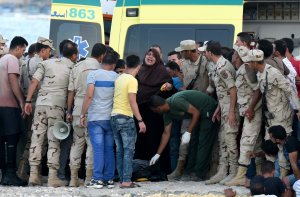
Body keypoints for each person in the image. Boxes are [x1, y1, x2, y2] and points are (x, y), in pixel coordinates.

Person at [25, 41, 78, 187]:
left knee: (36, 138)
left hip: (41, 104)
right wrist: (68, 110)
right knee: (54, 140)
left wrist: (28, 101)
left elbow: (34, 82)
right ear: (74, 55)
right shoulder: (73, 67)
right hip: (57, 106)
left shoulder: (48, 63)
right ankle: (52, 177)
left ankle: (34, 175)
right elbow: (70, 92)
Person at [249, 49, 300, 178]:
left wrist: (299, 109)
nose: (248, 64)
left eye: (250, 62)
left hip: (282, 116)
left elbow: (290, 91)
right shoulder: (260, 73)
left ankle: (282, 180)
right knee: (269, 147)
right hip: (270, 116)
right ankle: (269, 177)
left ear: (255, 63)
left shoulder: (273, 73)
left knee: (282, 149)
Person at [149, 90, 218, 181]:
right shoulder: (167, 114)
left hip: (207, 108)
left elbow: (196, 113)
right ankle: (189, 171)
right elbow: (166, 133)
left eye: (154, 111)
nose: (155, 113)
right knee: (193, 142)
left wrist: (188, 132)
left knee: (203, 142)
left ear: (158, 108)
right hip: (197, 114)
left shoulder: (176, 101)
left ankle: (198, 173)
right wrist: (158, 154)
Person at [66, 43, 107, 187]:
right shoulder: (100, 69)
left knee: (77, 144)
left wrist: (69, 111)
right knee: (92, 144)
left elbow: (71, 91)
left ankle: (73, 178)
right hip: (92, 110)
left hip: (77, 109)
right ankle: (89, 178)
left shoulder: (77, 66)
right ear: (102, 56)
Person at [17, 37, 55, 181]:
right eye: (49, 51)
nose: (50, 54)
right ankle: (29, 172)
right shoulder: (41, 63)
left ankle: (25, 171)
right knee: (38, 139)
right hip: (38, 103)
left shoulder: (26, 61)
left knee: (29, 138)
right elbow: (38, 84)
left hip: (27, 103)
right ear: (44, 50)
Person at [79, 52, 119, 189]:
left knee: (98, 149)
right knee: (109, 149)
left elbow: (89, 96)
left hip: (96, 118)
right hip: (110, 118)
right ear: (114, 64)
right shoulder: (117, 77)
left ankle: (97, 179)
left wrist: (82, 114)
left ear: (102, 61)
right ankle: (109, 179)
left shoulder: (94, 75)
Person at [225, 46, 262, 186]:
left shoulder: (247, 69)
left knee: (246, 141)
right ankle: (259, 173)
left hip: (252, 112)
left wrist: (251, 109)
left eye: (235, 52)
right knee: (255, 142)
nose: (233, 55)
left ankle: (241, 175)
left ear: (239, 56)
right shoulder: (241, 69)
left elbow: (257, 90)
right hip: (247, 111)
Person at [134, 48, 174, 174]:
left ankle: (155, 168)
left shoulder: (161, 71)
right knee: (139, 140)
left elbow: (170, 88)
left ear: (157, 58)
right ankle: (139, 167)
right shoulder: (140, 69)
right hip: (139, 111)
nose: (150, 57)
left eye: (153, 56)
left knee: (153, 138)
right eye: (148, 54)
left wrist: (169, 86)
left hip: (154, 112)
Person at [205, 41, 239, 185]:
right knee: (223, 140)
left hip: (231, 110)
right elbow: (223, 91)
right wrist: (219, 108)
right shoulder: (219, 65)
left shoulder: (223, 68)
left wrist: (231, 112)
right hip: (224, 108)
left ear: (210, 53)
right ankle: (223, 171)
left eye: (205, 51)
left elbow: (233, 90)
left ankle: (234, 173)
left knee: (230, 141)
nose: (204, 54)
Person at [111, 55, 146, 188]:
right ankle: (126, 181)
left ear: (125, 65)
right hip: (125, 117)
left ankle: (121, 179)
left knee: (120, 150)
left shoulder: (119, 78)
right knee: (128, 150)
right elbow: (132, 101)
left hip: (114, 116)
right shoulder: (132, 80)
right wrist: (140, 120)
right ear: (139, 66)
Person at [0, 36, 28, 186]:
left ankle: (4, 174)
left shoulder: (2, 60)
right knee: (12, 138)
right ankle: (10, 174)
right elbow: (13, 81)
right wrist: (22, 102)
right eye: (23, 50)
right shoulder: (12, 59)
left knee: (2, 140)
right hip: (9, 106)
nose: (23, 53)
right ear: (17, 48)